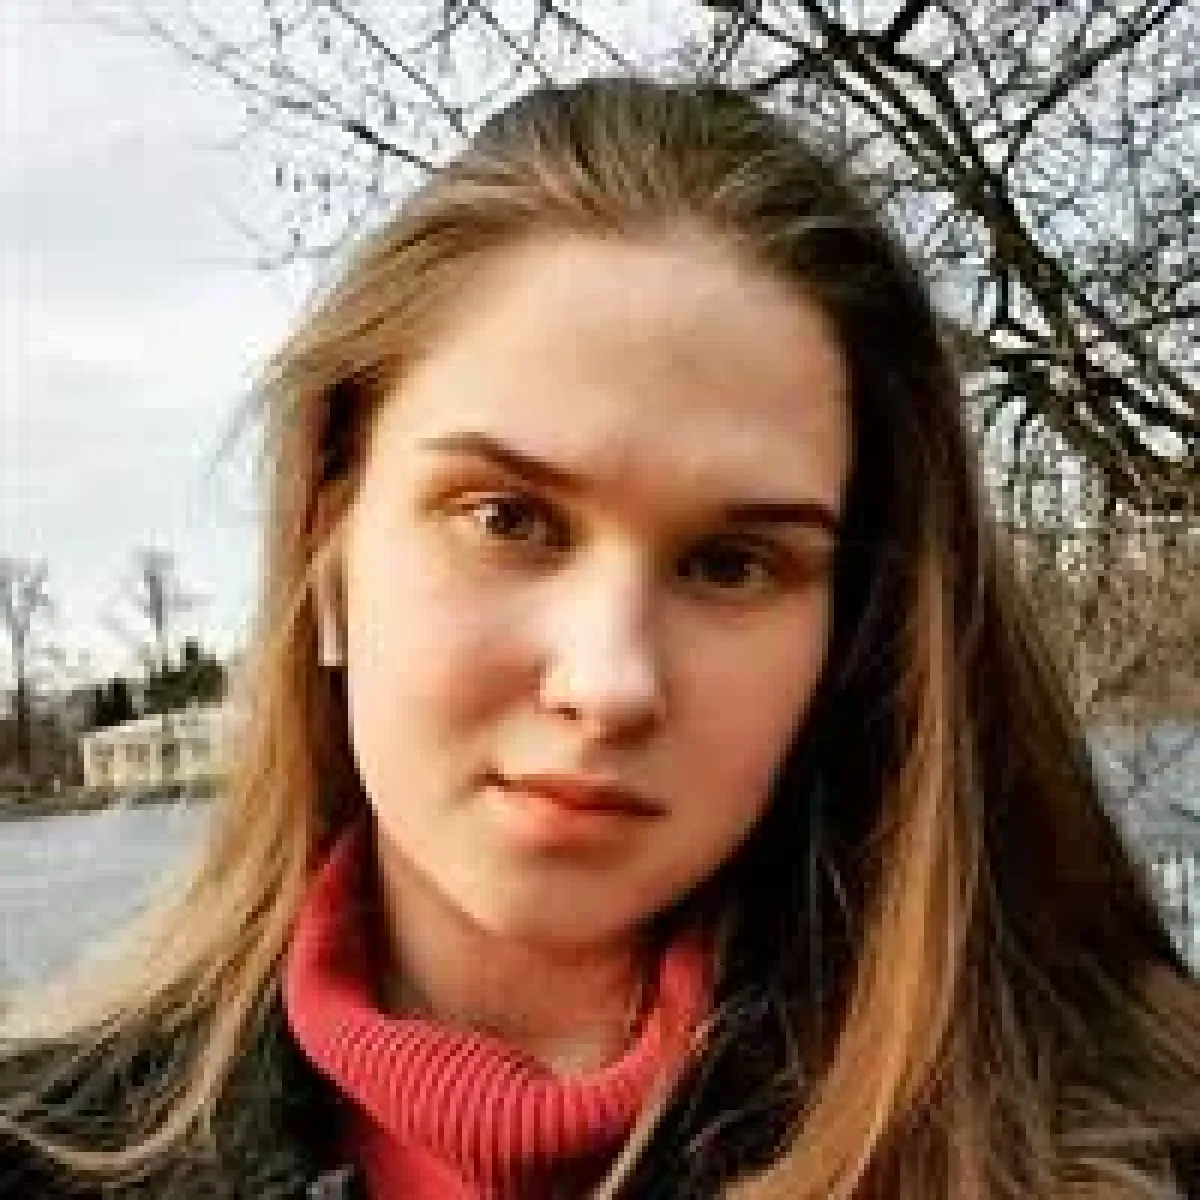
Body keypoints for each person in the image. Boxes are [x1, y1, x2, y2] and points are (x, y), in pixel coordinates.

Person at [2, 75, 1197, 1199]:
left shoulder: (1134, 1143)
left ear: (855, 633)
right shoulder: (40, 1147)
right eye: (507, 519)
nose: (609, 681)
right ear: (329, 560)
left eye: (730, 564)